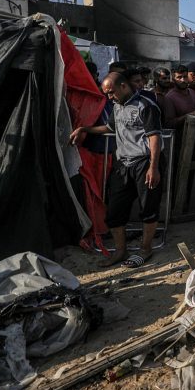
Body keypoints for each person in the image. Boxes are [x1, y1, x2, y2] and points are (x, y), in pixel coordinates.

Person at [70, 72, 163, 268]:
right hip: (123, 164)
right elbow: (109, 127)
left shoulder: (145, 106)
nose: (109, 97)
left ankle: (145, 248)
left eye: (111, 92)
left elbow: (154, 137)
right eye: (106, 94)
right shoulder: (116, 106)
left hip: (144, 162)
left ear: (123, 86)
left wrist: (153, 167)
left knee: (148, 209)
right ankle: (121, 250)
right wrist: (84, 129)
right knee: (114, 211)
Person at [163, 65, 195, 129]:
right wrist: (187, 116)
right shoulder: (169, 97)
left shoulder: (192, 92)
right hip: (183, 137)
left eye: (185, 77)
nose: (183, 80)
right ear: (173, 79)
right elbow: (169, 123)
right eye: (179, 77)